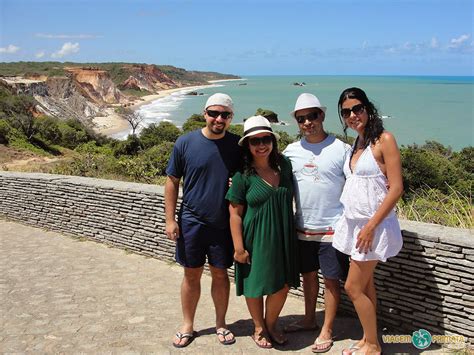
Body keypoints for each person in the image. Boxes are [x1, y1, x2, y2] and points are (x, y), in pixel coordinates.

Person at [165, 93, 241, 348]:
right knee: (191, 275)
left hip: (222, 224)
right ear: (204, 114)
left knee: (221, 275)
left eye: (225, 115)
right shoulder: (185, 142)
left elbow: (248, 177)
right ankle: (188, 324)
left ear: (231, 118)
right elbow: (172, 181)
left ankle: (221, 323)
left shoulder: (236, 146)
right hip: (191, 221)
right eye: (214, 113)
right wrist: (170, 220)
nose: (219, 119)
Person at [333, 87, 403, 355]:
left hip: (373, 227)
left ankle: (373, 346)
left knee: (352, 287)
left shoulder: (384, 139)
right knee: (366, 284)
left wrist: (371, 227)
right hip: (356, 226)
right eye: (346, 112)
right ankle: (368, 337)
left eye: (357, 108)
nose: (353, 115)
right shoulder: (358, 143)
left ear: (368, 108)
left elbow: (396, 188)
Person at [282, 93, 350, 353]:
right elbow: (272, 175)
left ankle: (327, 329)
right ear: (298, 122)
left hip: (333, 229)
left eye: (312, 116)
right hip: (303, 228)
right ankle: (310, 319)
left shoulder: (342, 149)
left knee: (331, 280)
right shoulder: (291, 151)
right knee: (308, 276)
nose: (308, 122)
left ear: (322, 115)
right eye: (302, 119)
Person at [226, 115, 300, 349]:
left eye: (265, 139)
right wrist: (238, 248)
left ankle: (271, 323)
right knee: (255, 284)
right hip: (254, 238)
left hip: (283, 236)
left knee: (282, 285)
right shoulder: (242, 176)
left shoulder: (285, 165)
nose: (261, 145)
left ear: (272, 141)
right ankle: (259, 327)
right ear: (247, 145)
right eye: (254, 141)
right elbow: (235, 214)